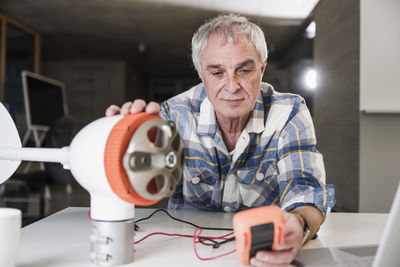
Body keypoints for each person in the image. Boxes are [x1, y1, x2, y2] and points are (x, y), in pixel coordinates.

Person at [106, 14, 334, 267]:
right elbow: (132, 184)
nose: (231, 86)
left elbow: (305, 187)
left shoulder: (289, 111)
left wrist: (298, 223)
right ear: (201, 74)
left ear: (262, 67)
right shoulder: (174, 115)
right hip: (186, 253)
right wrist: (120, 137)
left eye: (244, 70)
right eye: (217, 72)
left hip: (263, 254)